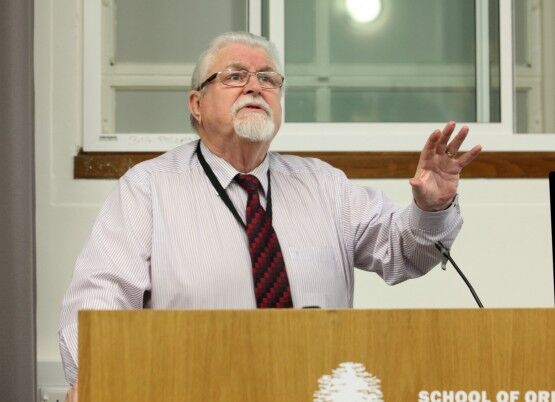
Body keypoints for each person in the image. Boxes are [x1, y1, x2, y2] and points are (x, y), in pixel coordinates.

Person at [60, 31, 482, 401]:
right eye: (234, 76)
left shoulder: (324, 185)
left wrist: (432, 207)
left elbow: (404, 252)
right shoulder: (148, 189)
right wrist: (96, 375)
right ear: (196, 104)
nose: (254, 87)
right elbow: (100, 298)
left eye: (268, 79)